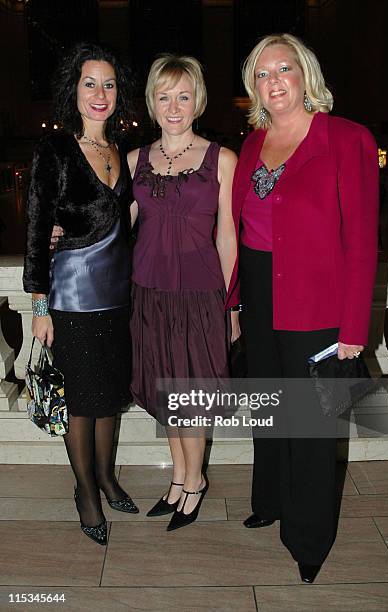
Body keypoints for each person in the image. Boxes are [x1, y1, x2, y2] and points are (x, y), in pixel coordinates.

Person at [225, 34, 379, 582]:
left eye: (284, 68)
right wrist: (237, 300)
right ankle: (269, 501)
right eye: (263, 72)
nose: (274, 80)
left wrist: (354, 327)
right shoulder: (253, 142)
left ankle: (310, 539)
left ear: (305, 75)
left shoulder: (347, 138)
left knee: (313, 423)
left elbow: (362, 241)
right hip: (263, 294)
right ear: (254, 86)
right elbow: (243, 231)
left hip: (317, 299)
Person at [23, 42, 139, 546]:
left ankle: (109, 476)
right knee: (82, 404)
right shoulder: (54, 150)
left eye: (109, 84)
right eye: (90, 83)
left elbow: (127, 221)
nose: (100, 93)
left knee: (110, 396)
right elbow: (35, 231)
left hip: (117, 298)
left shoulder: (118, 150)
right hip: (71, 300)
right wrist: (40, 304)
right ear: (74, 91)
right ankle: (86, 492)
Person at [127, 54, 238, 531]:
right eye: (164, 96)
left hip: (199, 294)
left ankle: (195, 483)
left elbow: (228, 235)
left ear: (198, 101)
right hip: (149, 293)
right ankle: (178, 478)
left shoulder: (222, 159)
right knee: (164, 391)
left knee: (190, 395)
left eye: (184, 96)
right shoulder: (134, 161)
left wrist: (232, 304)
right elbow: (115, 231)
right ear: (153, 102)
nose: (174, 106)